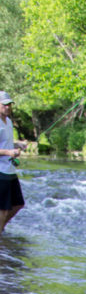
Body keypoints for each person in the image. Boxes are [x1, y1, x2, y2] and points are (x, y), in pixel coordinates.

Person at [0, 91, 27, 235]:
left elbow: (7, 142)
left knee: (18, 204)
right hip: (1, 172)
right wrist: (9, 153)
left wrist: (19, 144)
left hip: (10, 170)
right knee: (3, 210)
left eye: (9, 104)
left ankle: (2, 228)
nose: (8, 107)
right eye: (4, 105)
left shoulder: (9, 121)